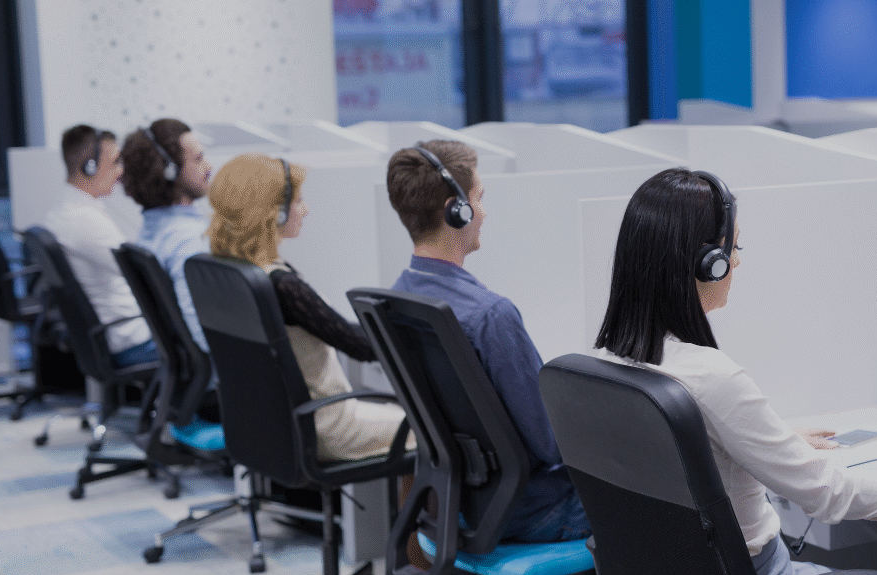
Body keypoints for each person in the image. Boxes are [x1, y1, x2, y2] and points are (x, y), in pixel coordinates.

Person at [593, 168, 877, 575]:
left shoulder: (606, 362)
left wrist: (769, 441)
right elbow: (828, 495)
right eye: (734, 247)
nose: (737, 262)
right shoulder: (711, 376)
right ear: (709, 262)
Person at [385, 141, 590, 544]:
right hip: (532, 511)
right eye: (479, 198)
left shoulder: (397, 298)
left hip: (455, 504)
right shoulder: (490, 316)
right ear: (455, 210)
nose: (485, 212)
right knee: (667, 500)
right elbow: (550, 443)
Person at [205, 153, 406, 462]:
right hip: (327, 427)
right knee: (430, 428)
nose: (305, 210)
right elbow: (361, 348)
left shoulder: (232, 272)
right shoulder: (282, 285)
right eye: (298, 202)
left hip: (271, 424)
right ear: (276, 214)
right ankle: (419, 513)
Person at [44, 124, 157, 367]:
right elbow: (146, 277)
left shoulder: (67, 211)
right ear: (90, 166)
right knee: (205, 342)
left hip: (113, 333)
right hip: (132, 339)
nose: (120, 171)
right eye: (115, 162)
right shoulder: (85, 220)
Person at [119, 118, 213, 352]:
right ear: (169, 170)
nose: (209, 167)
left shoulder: (155, 228)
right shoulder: (188, 241)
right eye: (199, 159)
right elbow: (201, 334)